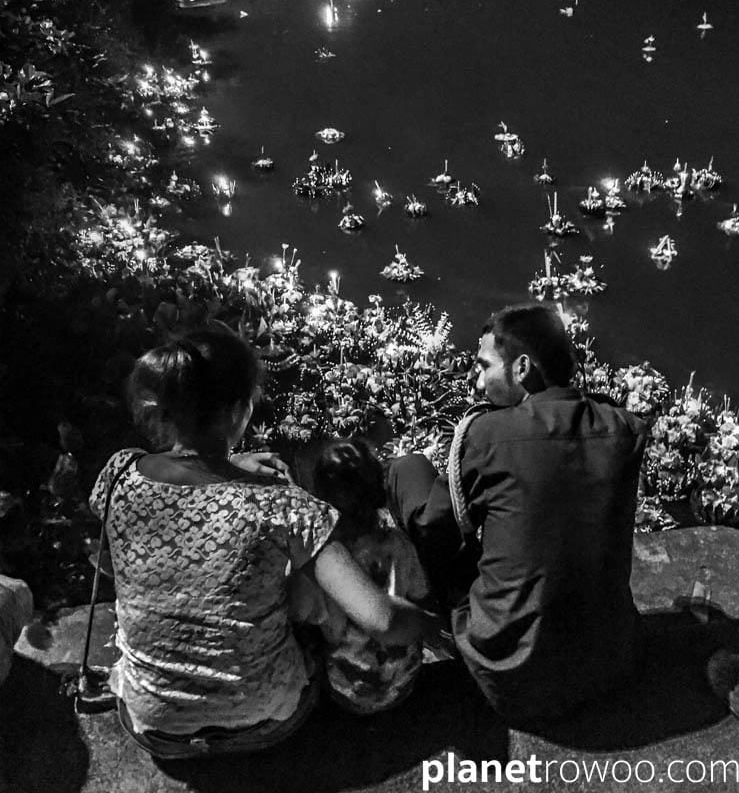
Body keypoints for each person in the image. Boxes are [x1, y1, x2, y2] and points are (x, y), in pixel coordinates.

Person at [90, 326, 438, 757]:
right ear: (239, 410)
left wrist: (231, 464)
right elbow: (381, 619)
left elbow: (118, 553)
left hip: (151, 723)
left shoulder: (121, 472)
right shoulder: (286, 507)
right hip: (263, 722)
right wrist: (438, 625)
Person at [387, 304, 648, 725]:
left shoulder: (489, 432)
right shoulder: (626, 429)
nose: (477, 381)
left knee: (408, 470)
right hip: (611, 657)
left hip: (511, 673)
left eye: (484, 366)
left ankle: (426, 612)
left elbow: (433, 523)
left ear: (522, 368)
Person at [300, 438, 433, 714]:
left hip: (347, 691)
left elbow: (333, 632)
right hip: (403, 683)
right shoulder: (399, 544)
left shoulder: (330, 561)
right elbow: (420, 591)